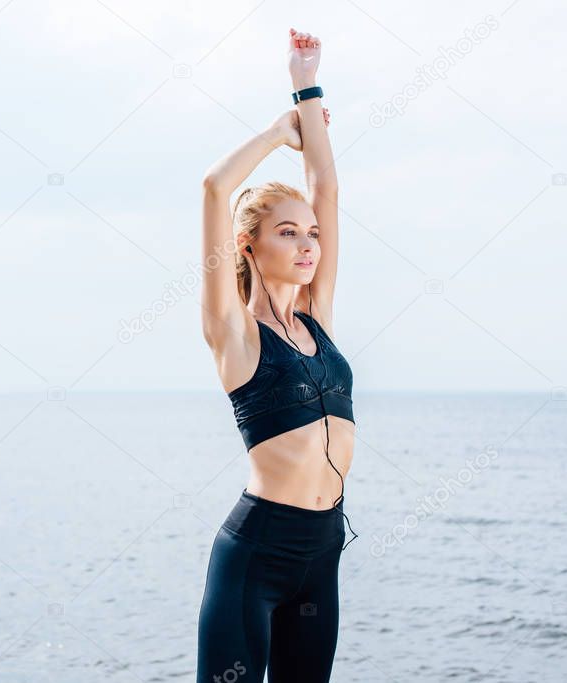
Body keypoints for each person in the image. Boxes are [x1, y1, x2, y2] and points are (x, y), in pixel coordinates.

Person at [196, 29, 355, 682]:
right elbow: (213, 187)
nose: (307, 242)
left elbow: (327, 190)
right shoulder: (233, 333)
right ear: (247, 246)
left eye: (310, 233)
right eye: (287, 232)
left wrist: (306, 86)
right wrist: (276, 130)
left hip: (323, 549)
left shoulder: (316, 316)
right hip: (257, 552)